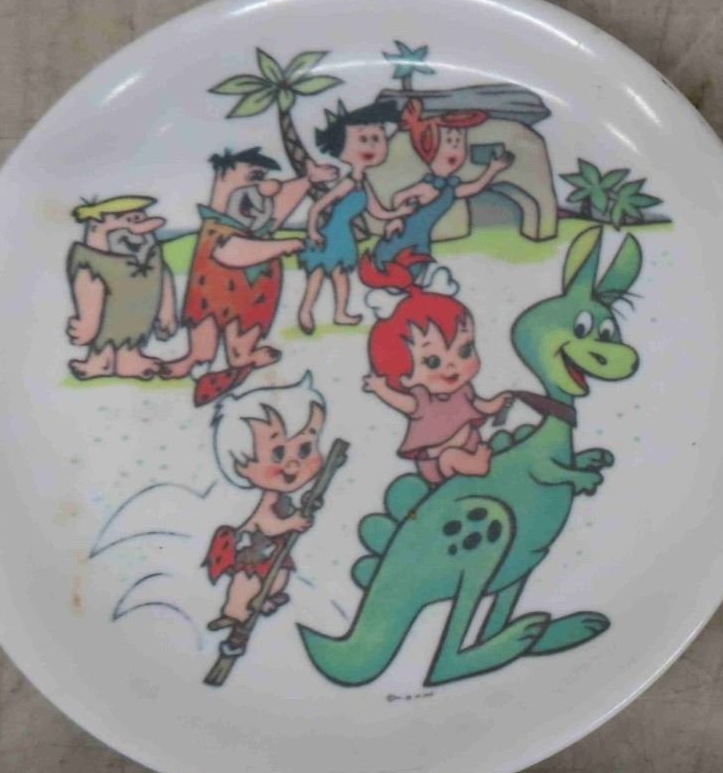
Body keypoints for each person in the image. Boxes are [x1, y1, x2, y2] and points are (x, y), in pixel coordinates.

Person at [163, 148, 335, 404]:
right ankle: (195, 358)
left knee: (244, 331)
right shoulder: (219, 226)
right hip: (213, 292)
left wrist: (308, 180)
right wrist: (283, 245)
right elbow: (232, 253)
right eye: (254, 177)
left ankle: (242, 356)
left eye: (263, 177)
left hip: (252, 295)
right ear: (223, 177)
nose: (267, 187)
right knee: (203, 327)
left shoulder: (256, 219)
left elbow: (279, 205)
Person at [358, 250, 514, 484]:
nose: (453, 366)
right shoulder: (422, 401)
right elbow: (404, 403)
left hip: (469, 444)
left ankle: (475, 465)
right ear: (404, 376)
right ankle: (474, 466)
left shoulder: (463, 390)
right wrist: (382, 390)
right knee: (450, 456)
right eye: (432, 362)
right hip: (438, 462)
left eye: (465, 351)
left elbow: (478, 405)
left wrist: (496, 404)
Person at [203, 375, 328, 657]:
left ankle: (264, 600)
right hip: (254, 550)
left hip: (272, 551)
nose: (294, 463)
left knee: (279, 575)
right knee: (246, 582)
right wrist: (292, 523)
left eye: (305, 448)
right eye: (278, 453)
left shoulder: (281, 497)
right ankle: (235, 613)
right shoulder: (268, 499)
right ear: (242, 467)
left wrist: (301, 514)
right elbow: (264, 523)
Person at [295, 100, 413, 333]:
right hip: (328, 234)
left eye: (376, 138)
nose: (371, 144)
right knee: (317, 274)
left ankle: (340, 313)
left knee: (340, 275)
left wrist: (399, 212)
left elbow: (377, 211)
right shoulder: (347, 183)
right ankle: (305, 311)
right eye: (363, 138)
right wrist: (313, 231)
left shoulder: (362, 183)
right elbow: (316, 207)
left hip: (344, 236)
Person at [371, 99, 515, 282]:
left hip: (420, 241)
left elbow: (476, 187)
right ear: (429, 147)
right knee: (390, 273)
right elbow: (399, 196)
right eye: (448, 140)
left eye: (459, 141)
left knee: (412, 277)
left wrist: (493, 169)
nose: (454, 146)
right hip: (401, 238)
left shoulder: (450, 189)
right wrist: (396, 218)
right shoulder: (426, 186)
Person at [64, 195, 176, 380]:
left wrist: (167, 312)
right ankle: (100, 362)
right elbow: (89, 292)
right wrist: (87, 325)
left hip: (139, 319)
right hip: (106, 322)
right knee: (105, 339)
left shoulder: (153, 258)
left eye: (138, 217)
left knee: (131, 337)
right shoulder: (94, 262)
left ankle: (130, 359)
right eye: (127, 220)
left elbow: (163, 280)